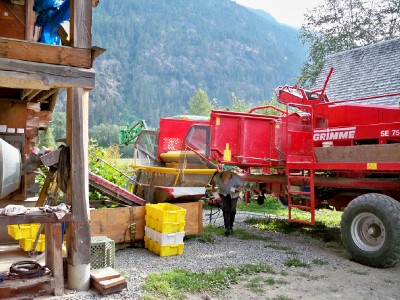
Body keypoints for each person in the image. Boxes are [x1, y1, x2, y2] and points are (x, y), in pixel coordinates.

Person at [212, 169, 244, 235]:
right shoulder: (217, 176)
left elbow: (241, 185)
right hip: (223, 192)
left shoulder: (236, 178)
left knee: (232, 209)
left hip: (233, 193)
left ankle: (231, 226)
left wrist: (235, 190)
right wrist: (216, 196)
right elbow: (213, 185)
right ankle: (227, 228)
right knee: (225, 209)